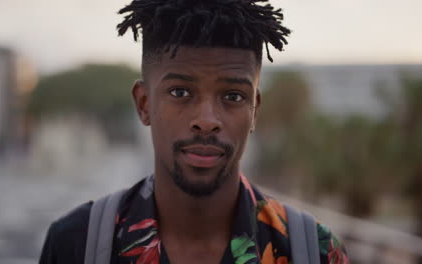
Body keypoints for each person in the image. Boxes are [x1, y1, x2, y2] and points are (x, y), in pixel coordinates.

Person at [39, 0, 349, 263]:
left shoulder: (313, 251)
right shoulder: (76, 245)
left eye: (233, 96)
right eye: (180, 92)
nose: (206, 120)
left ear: (254, 109)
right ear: (144, 104)